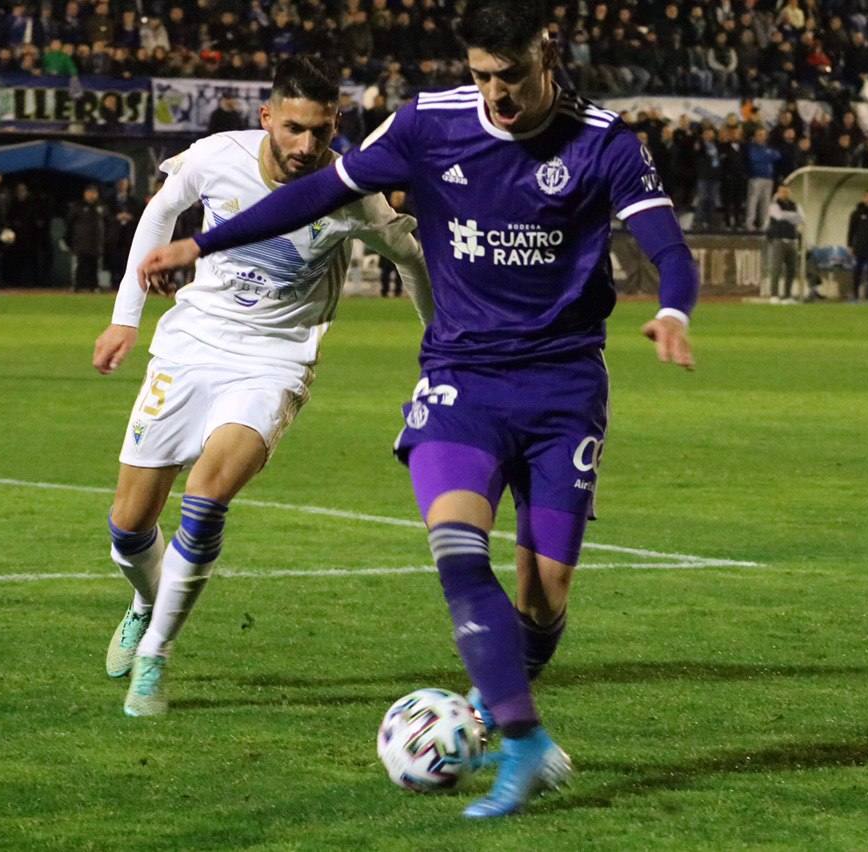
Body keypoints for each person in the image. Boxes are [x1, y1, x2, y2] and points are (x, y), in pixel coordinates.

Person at [138, 0, 697, 819]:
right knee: (456, 551)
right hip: (461, 377)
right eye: (480, 75)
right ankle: (523, 738)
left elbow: (668, 248)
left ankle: (500, 704)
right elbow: (318, 193)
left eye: (510, 76)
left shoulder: (603, 140)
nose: (495, 94)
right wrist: (202, 242)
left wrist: (675, 309)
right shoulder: (429, 126)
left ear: (546, 58)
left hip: (563, 385)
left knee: (544, 595)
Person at [92, 57, 432, 719]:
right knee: (129, 527)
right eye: (296, 129)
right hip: (191, 348)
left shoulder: (351, 191)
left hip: (275, 361)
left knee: (206, 497)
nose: (308, 146)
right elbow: (161, 213)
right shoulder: (218, 157)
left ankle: (157, 652)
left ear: (336, 124)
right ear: (267, 118)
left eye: (322, 131)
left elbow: (414, 261)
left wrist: (443, 353)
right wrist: (124, 319)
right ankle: (144, 601)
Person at [763, 184, 804, 301]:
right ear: (778, 193)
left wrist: (789, 216)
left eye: (786, 192)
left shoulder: (795, 205)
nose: (785, 194)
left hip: (792, 240)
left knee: (791, 270)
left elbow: (801, 219)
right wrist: (793, 216)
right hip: (778, 239)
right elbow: (779, 216)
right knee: (776, 268)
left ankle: (787, 295)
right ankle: (774, 295)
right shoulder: (774, 205)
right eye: (782, 192)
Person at [66, 184, 107, 292]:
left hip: (96, 242)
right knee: (80, 265)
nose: (91, 195)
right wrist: (69, 240)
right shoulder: (78, 206)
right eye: (89, 192)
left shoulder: (101, 207)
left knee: (95, 266)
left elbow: (108, 222)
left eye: (94, 192)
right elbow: (69, 224)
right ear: (85, 193)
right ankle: (77, 286)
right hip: (81, 242)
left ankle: (94, 286)